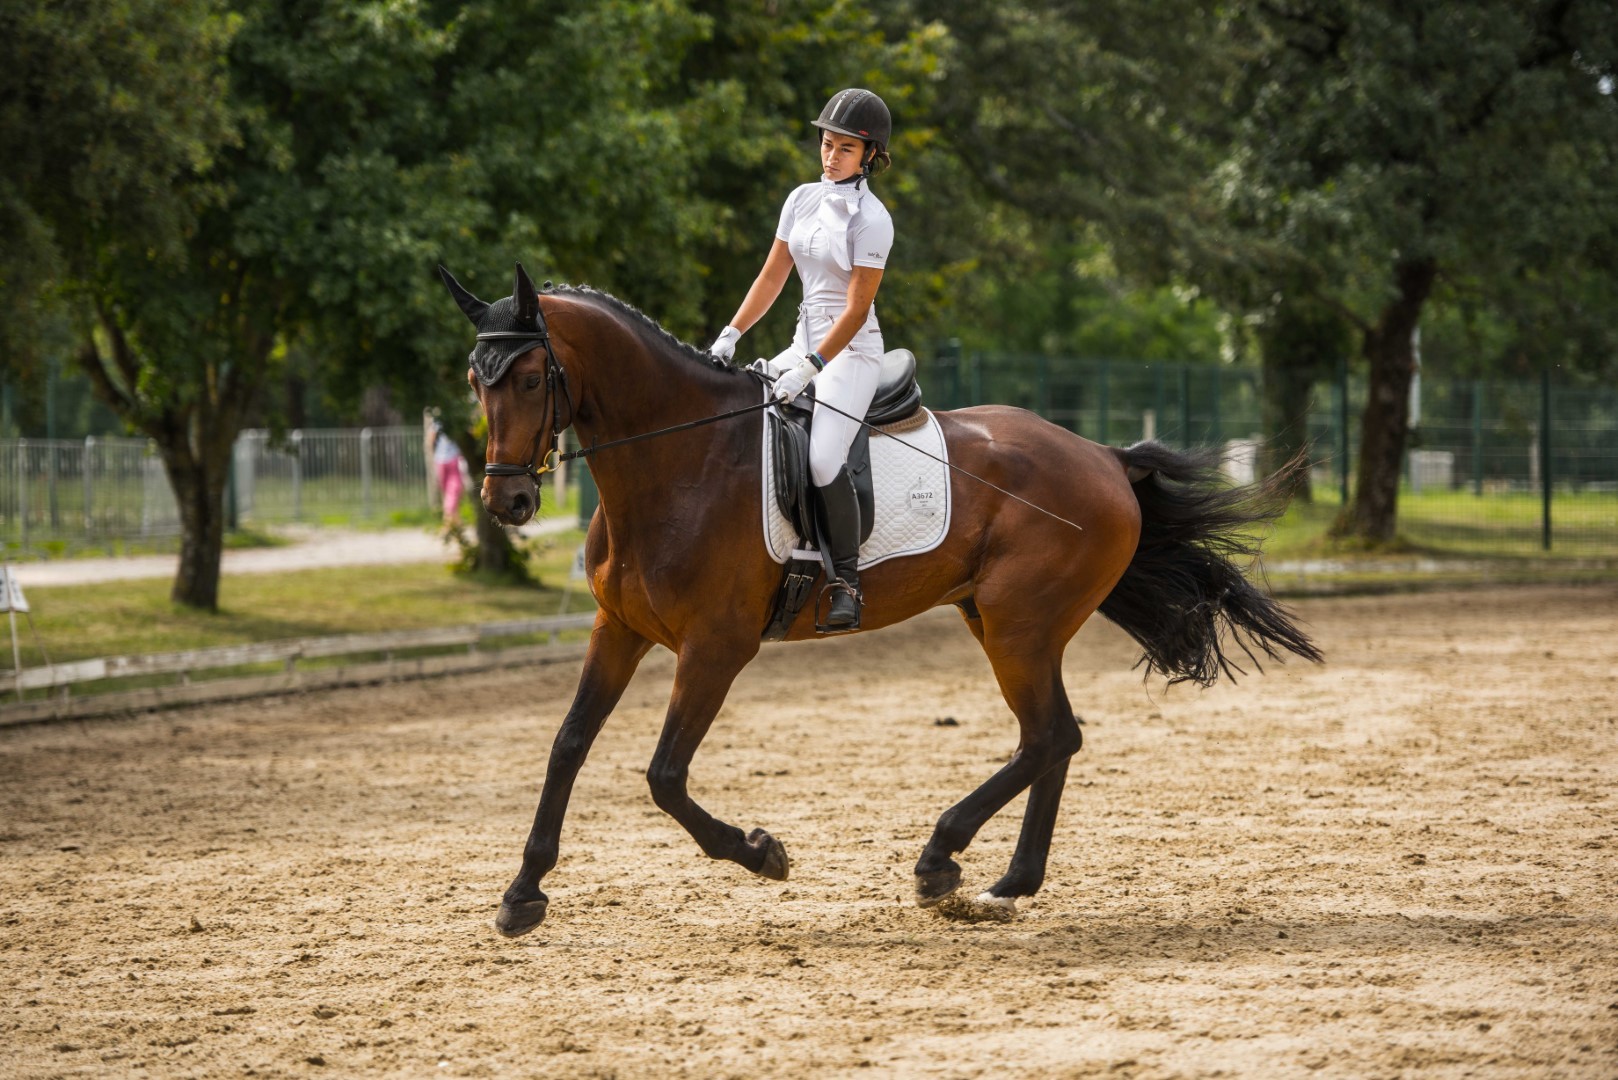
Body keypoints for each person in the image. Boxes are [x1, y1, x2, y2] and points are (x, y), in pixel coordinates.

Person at [708, 88, 895, 630]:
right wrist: (731, 332)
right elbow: (772, 276)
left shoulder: (873, 220)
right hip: (802, 341)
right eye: (826, 143)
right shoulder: (800, 200)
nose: (830, 155)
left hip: (851, 353)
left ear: (869, 156)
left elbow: (857, 310)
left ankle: (846, 582)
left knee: (821, 459)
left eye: (843, 148)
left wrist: (812, 367)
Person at [428, 415, 466, 526]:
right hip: (452, 458)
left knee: (450, 492)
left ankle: (455, 522)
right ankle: (448, 521)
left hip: (440, 460)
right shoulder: (455, 418)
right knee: (453, 491)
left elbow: (431, 439)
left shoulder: (437, 420)